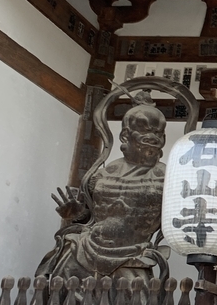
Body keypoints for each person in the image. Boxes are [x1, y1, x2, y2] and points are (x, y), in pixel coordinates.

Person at [38, 95, 168, 284]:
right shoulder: (101, 175)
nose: (153, 137)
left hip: (133, 258)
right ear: (125, 135)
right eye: (145, 129)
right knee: (62, 298)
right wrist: (77, 214)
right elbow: (91, 219)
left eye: (158, 132)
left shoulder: (167, 178)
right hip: (84, 250)